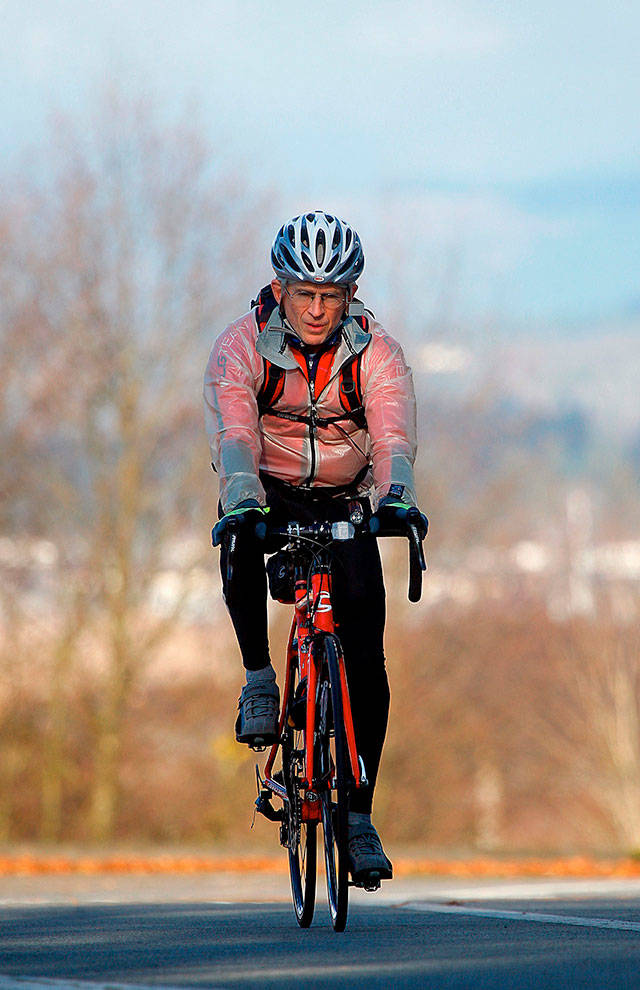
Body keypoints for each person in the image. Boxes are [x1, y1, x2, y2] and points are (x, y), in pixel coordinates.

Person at [203, 211, 427, 884]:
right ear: (281, 287)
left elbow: (392, 438)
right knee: (238, 537)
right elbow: (234, 436)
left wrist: (399, 500)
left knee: (366, 651)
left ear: (352, 295)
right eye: (306, 294)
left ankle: (358, 819)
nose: (319, 309)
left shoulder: (376, 353)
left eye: (333, 296)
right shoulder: (238, 348)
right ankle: (260, 680)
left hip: (343, 495)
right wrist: (244, 501)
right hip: (267, 485)